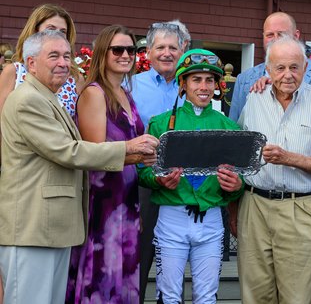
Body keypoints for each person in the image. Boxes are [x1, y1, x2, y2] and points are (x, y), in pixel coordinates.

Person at [0, 30, 158, 304]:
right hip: (32, 227)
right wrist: (128, 149)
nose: (63, 62)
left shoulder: (49, 97)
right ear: (31, 63)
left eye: (66, 56)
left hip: (53, 227)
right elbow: (68, 151)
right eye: (53, 56)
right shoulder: (28, 100)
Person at [235, 36, 311, 304]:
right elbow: (239, 153)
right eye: (280, 68)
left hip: (302, 209)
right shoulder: (254, 100)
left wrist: (289, 158)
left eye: (294, 67)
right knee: (255, 295)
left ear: (305, 69)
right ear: (267, 70)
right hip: (255, 206)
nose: (287, 75)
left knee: (299, 298)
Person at [138, 48, 244, 303]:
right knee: (169, 295)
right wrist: (158, 180)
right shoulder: (160, 124)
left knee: (207, 297)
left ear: (218, 85)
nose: (204, 86)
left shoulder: (229, 127)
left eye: (210, 80)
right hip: (171, 218)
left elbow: (239, 183)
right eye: (196, 80)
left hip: (211, 222)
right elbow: (143, 173)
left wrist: (236, 186)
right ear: (183, 83)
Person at [66, 25, 149, 303]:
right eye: (118, 49)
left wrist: (147, 155)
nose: (126, 55)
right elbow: (93, 155)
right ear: (103, 53)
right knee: (102, 277)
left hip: (127, 197)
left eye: (131, 50)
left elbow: (131, 150)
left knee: (124, 275)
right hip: (103, 201)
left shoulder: (126, 93)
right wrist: (136, 151)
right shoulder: (94, 93)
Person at [128, 20, 188, 304]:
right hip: (143, 183)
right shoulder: (131, 85)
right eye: (160, 47)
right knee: (138, 258)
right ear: (148, 52)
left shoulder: (194, 85)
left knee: (174, 267)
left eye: (173, 47)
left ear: (184, 50)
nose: (167, 53)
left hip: (184, 186)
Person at [228, 11, 311, 122]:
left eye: (281, 34)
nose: (275, 39)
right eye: (270, 35)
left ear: (296, 36)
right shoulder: (244, 79)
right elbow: (236, 128)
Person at [0, 4, 85, 120]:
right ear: (35, 31)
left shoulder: (75, 79)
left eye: (62, 32)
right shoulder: (14, 72)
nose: (56, 35)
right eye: (51, 29)